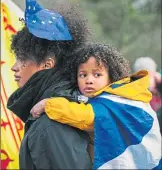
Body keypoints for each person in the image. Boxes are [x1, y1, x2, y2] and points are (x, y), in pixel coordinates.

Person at [31, 43, 162, 169]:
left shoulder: (117, 100)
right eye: (82, 75)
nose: (89, 80)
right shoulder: (123, 93)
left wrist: (48, 104)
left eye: (97, 74)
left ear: (111, 77)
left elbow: (86, 117)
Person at [7, 0, 92, 169]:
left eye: (22, 59)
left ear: (47, 64)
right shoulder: (59, 109)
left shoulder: (50, 124)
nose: (14, 66)